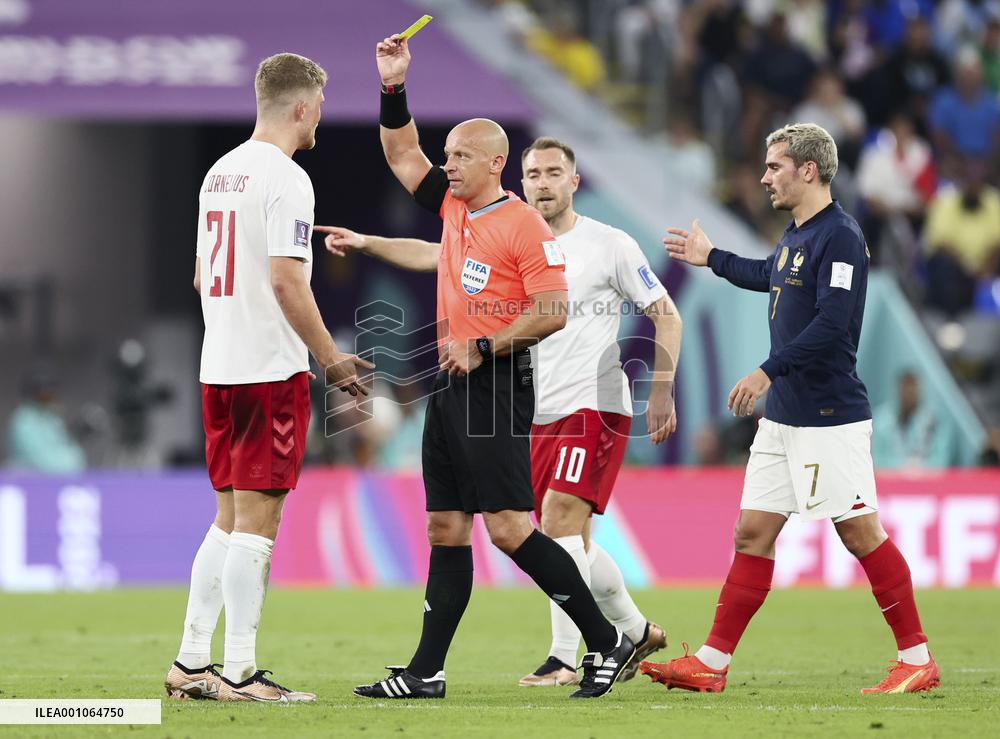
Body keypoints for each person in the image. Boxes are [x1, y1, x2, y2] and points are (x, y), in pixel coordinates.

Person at [318, 136, 683, 688]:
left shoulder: (603, 243)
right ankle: (625, 631)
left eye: (554, 173)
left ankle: (576, 652)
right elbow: (433, 249)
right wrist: (368, 242)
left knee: (543, 524)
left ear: (574, 180)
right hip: (527, 401)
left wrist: (660, 388)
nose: (542, 182)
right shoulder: (474, 222)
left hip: (587, 400)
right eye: (534, 172)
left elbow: (655, 314)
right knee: (495, 530)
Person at [350, 34, 636, 701]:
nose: (445, 165)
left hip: (496, 384)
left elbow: (554, 309)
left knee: (510, 527)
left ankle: (605, 641)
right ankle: (424, 672)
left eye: (459, 156)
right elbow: (400, 151)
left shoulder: (522, 226)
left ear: (495, 163)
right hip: (452, 388)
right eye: (446, 155)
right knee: (444, 526)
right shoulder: (453, 208)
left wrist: (482, 346)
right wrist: (394, 86)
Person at [641, 123, 938, 694]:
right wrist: (714, 258)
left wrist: (766, 369)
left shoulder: (842, 236)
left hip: (829, 415)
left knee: (860, 534)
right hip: (784, 418)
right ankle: (712, 662)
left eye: (774, 166)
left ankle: (917, 657)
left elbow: (831, 325)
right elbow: (767, 274)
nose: (764, 176)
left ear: (808, 169)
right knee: (751, 532)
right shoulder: (797, 235)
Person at [164, 52, 373, 703]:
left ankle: (191, 662)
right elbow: (287, 278)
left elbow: (203, 275)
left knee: (227, 518)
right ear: (303, 107)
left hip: (218, 367)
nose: (321, 117)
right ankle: (241, 673)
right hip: (267, 370)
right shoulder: (286, 178)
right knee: (259, 521)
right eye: (321, 105)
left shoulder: (218, 172)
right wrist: (331, 358)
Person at [872, 371, 950, 469]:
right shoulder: (881, 420)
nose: (910, 394)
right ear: (898, 390)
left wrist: (919, 468)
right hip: (889, 480)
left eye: (913, 389)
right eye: (906, 389)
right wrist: (903, 466)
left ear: (921, 390)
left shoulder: (934, 420)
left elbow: (941, 461)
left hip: (926, 480)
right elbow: (876, 460)